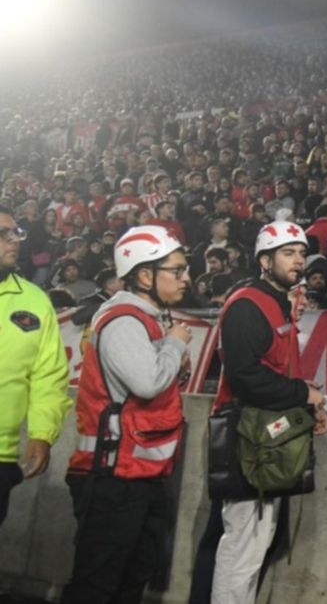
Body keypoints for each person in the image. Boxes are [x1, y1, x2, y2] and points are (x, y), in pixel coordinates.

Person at [209, 220, 327, 604]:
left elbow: (275, 373)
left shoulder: (274, 304)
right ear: (264, 260)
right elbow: (247, 378)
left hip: (264, 436)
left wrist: (309, 399)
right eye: (288, 253)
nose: (299, 261)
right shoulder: (248, 305)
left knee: (253, 546)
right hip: (246, 437)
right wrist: (304, 393)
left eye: (302, 253)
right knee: (242, 547)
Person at [63, 225, 192, 602]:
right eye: (177, 270)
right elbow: (148, 383)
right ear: (145, 275)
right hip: (111, 477)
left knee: (129, 581)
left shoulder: (147, 319)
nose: (186, 278)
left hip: (138, 474)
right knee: (97, 585)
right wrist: (173, 345)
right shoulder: (123, 320)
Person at [0, 205, 72, 528]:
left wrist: (42, 433)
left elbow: (49, 376)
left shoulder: (35, 301)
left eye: (16, 232)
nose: (14, 240)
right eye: (4, 234)